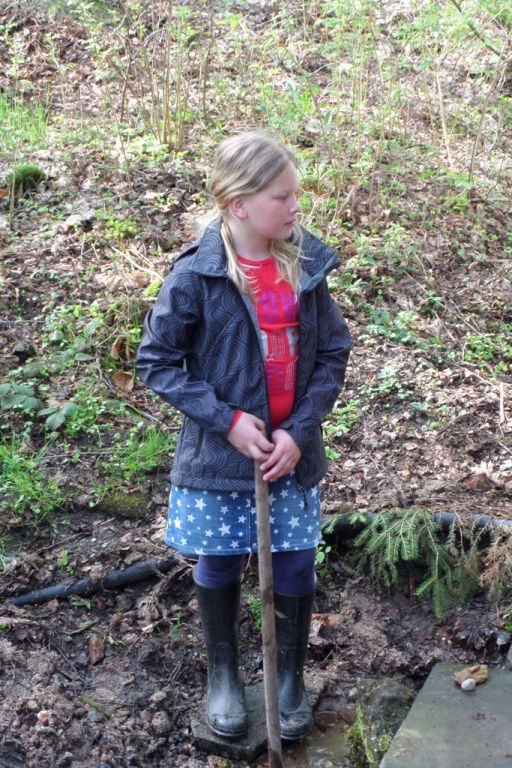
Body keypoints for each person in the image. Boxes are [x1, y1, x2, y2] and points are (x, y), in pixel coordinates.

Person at [136, 131, 352, 741]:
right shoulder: (196, 276)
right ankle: (224, 678)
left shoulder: (305, 265)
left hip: (290, 455)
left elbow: (332, 351)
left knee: (295, 561)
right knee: (221, 558)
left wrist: (300, 431)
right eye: (282, 197)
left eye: (295, 195)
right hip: (221, 458)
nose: (295, 207)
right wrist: (226, 421)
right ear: (239, 204)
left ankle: (289, 680)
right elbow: (157, 361)